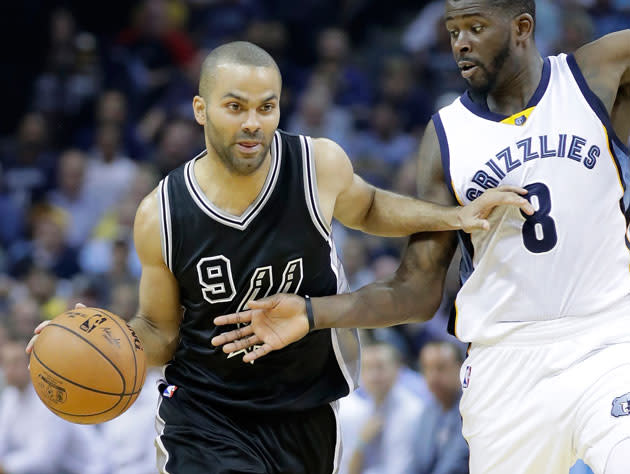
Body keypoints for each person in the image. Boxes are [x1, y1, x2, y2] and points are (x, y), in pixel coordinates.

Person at [25, 40, 529, 474]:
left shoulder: (316, 165)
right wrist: (100, 337)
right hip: (205, 411)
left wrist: (454, 215)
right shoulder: (161, 214)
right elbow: (160, 331)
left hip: (304, 410)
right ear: (201, 109)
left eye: (267, 107)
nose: (253, 123)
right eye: (236, 107)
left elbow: (371, 206)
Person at [211, 3, 630, 474]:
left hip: (609, 342)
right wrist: (312, 313)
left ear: (522, 27)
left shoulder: (594, 72)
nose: (460, 43)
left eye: (475, 28)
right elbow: (414, 291)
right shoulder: (447, 135)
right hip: (505, 365)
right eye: (452, 31)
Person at [0, 336, 109, 474]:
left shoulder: (50, 395)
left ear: (31, 363)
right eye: (5, 363)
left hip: (91, 469)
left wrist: (4, 467)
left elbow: (44, 461)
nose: (9, 370)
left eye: (15, 363)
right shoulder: (10, 396)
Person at [338, 342, 425, 474]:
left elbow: (400, 469)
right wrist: (361, 442)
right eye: (367, 368)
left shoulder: (412, 412)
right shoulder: (362, 411)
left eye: (380, 367)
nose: (374, 376)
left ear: (397, 369)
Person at [412, 341, 469, 474]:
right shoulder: (428, 411)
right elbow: (417, 464)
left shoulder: (470, 410)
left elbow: (453, 466)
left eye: (441, 368)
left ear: (461, 368)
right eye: (427, 368)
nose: (433, 377)